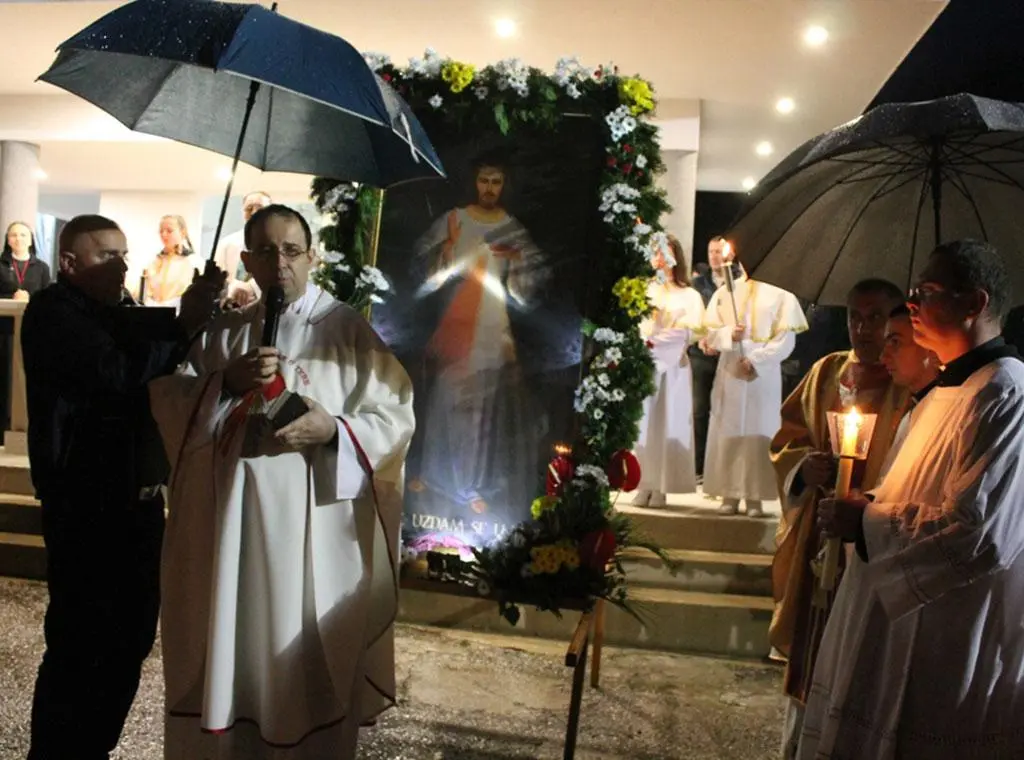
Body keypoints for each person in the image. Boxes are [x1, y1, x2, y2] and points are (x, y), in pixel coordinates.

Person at [150, 204, 415, 759]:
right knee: (231, 646)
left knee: (300, 665)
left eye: (292, 251)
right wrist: (223, 384)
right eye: (266, 252)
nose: (280, 264)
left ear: (312, 257)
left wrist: (334, 429)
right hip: (228, 538)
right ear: (247, 260)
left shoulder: (348, 332)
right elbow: (171, 402)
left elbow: (396, 416)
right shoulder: (224, 333)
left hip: (310, 541)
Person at [803, 240, 1024, 760]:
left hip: (954, 632)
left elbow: (982, 534)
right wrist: (864, 503)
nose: (912, 305)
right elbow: (911, 490)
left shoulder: (1006, 392)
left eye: (926, 292)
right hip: (900, 619)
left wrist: (868, 521)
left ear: (975, 303)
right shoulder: (942, 393)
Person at [21, 214, 223, 760]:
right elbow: (116, 371)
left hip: (138, 502)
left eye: (124, 254)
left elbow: (157, 352)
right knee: (79, 642)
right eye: (107, 255)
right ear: (69, 263)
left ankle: (94, 746)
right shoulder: (52, 313)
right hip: (84, 504)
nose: (122, 264)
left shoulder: (119, 310)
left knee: (130, 638)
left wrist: (198, 308)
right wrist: (183, 325)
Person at [769, 279, 911, 759]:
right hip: (818, 532)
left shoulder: (906, 382)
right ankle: (800, 743)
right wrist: (802, 469)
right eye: (854, 317)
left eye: (875, 318)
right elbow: (787, 440)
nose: (863, 329)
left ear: (894, 320)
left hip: (870, 537)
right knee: (812, 638)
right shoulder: (826, 371)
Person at [408, 148, 545, 517]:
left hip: (491, 327)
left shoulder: (512, 229)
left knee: (478, 408)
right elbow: (426, 269)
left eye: (496, 181)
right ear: (474, 182)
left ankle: (467, 486)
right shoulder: (454, 220)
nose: (489, 188)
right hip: (454, 323)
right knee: (443, 398)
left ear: (504, 185)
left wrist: (517, 263)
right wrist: (447, 251)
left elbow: (530, 282)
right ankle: (433, 474)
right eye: (484, 180)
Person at [700, 236, 807, 517]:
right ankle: (729, 492)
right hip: (730, 370)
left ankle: (755, 497)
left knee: (758, 434)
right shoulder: (726, 292)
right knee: (729, 431)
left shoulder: (782, 295)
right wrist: (728, 335)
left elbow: (786, 339)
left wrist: (757, 360)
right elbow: (710, 333)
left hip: (762, 374)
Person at [633, 235, 705, 507]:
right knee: (644, 424)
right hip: (647, 363)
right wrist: (648, 336)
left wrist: (669, 336)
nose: (661, 258)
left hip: (674, 365)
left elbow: (693, 330)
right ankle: (644, 483)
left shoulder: (689, 295)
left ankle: (662, 485)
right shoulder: (644, 289)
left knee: (668, 424)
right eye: (657, 252)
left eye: (666, 252)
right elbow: (637, 327)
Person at [689, 256, 718, 484]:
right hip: (700, 357)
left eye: (719, 251)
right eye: (712, 251)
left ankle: (716, 469)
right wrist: (700, 338)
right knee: (699, 410)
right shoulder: (698, 285)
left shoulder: (736, 283)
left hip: (726, 357)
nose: (716, 256)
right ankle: (698, 466)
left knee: (722, 413)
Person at [214, 190, 271, 306]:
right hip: (231, 305)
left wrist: (252, 287)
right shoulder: (227, 243)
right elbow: (217, 280)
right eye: (249, 208)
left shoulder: (277, 243)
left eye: (260, 208)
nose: (254, 212)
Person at [140, 214, 201, 308]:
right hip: (154, 312)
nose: (164, 235)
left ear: (183, 233)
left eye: (169, 231)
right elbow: (146, 292)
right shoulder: (154, 262)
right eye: (161, 231)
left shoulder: (194, 261)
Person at [0, 220, 51, 300]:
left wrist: (29, 297)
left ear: (30, 240)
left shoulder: (42, 267)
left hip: (33, 308)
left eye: (23, 235)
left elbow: (48, 297)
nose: (18, 239)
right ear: (8, 240)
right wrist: (12, 297)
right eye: (13, 235)